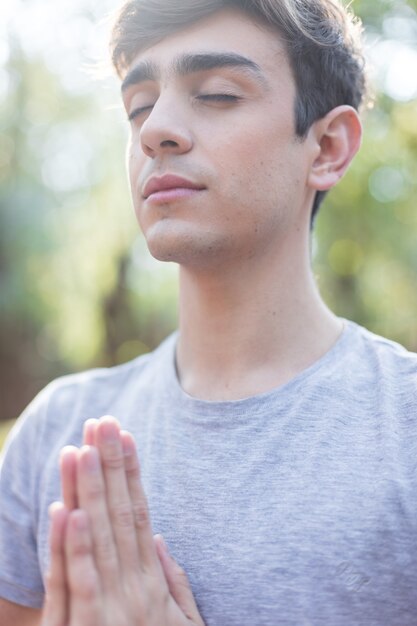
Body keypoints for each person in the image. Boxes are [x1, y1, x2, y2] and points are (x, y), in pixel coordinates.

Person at [1, 0, 417, 624]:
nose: (154, 129)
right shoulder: (53, 433)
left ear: (327, 146)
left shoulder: (405, 431)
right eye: (138, 104)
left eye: (218, 94)